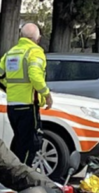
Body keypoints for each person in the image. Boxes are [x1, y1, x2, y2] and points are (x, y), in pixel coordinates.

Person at [0, 23, 53, 166]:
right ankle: (23, 178)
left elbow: (0, 75)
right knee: (31, 144)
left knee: (19, 143)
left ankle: (12, 175)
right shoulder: (35, 52)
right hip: (28, 106)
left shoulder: (10, 53)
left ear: (21, 36)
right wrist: (46, 94)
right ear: (38, 38)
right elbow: (35, 75)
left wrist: (9, 89)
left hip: (12, 107)